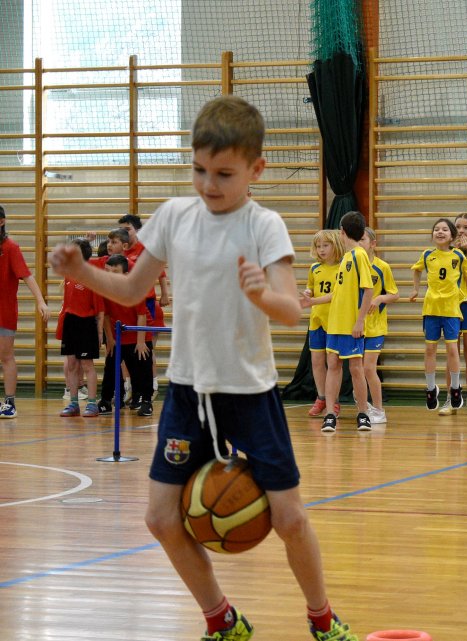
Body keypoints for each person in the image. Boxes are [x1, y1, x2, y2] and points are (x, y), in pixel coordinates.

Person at [48, 95, 358, 641]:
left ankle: (323, 618)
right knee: (160, 518)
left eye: (223, 174)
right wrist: (82, 271)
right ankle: (222, 619)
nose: (208, 184)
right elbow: (132, 289)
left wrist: (262, 296)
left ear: (256, 169)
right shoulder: (174, 216)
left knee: (290, 519)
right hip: (188, 394)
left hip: (251, 393)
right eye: (199, 170)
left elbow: (291, 310)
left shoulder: (265, 226)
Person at [320, 211, 375, 434]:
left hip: (351, 325)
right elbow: (338, 294)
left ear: (342, 232)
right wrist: (310, 302)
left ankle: (363, 414)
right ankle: (330, 415)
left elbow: (369, 290)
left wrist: (360, 321)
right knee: (333, 366)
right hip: (335, 323)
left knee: (355, 368)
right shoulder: (346, 258)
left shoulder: (360, 255)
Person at [409, 218, 467, 411]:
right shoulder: (427, 255)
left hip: (451, 310)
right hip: (431, 309)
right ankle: (430, 388)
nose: (440, 232)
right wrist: (416, 289)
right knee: (430, 349)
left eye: (444, 229)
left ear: (452, 236)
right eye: (436, 229)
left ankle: (455, 387)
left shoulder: (458, 255)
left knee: (452, 349)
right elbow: (417, 270)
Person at [0, 205, 50, 418]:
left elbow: (27, 275)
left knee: (6, 356)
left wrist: (41, 301)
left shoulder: (10, 247)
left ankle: (10, 402)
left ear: (1, 221)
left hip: (4, 312)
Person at [119, 213, 170, 401]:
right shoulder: (120, 252)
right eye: (121, 230)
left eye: (128, 229)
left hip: (146, 303)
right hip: (125, 304)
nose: (124, 233)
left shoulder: (146, 249)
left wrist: (164, 294)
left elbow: (160, 273)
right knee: (126, 351)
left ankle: (151, 387)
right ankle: (130, 388)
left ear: (137, 231)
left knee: (146, 349)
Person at [99, 254, 154, 417]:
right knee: (110, 368)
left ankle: (146, 401)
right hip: (117, 337)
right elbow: (106, 316)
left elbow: (141, 316)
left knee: (142, 369)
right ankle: (105, 401)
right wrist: (110, 339)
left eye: (115, 272)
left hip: (139, 336)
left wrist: (140, 342)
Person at [438, 213, 467, 416]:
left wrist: (465, 252)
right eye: (458, 227)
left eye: (466, 227)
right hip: (450, 306)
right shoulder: (446, 253)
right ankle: (451, 397)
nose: (462, 231)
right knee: (451, 353)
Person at [300, 230, 344, 419]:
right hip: (316, 320)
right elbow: (311, 287)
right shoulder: (315, 268)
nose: (321, 249)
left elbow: (337, 294)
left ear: (336, 245)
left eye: (325, 245)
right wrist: (308, 293)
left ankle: (334, 401)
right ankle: (322, 398)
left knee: (333, 363)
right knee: (317, 362)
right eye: (318, 246)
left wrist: (313, 301)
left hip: (335, 321)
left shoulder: (343, 268)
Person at [58, 238, 104, 418]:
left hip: (86, 323)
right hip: (70, 323)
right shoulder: (68, 275)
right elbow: (66, 304)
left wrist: (99, 332)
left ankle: (92, 403)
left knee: (87, 364)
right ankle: (73, 403)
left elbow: (100, 309)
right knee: (71, 364)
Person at [358, 227, 398, 424]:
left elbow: (394, 294)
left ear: (372, 244)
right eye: (356, 240)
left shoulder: (382, 267)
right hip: (355, 325)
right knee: (356, 369)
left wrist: (380, 298)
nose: (359, 244)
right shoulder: (350, 265)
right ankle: (363, 408)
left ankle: (379, 410)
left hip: (375, 326)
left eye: (362, 240)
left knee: (368, 368)